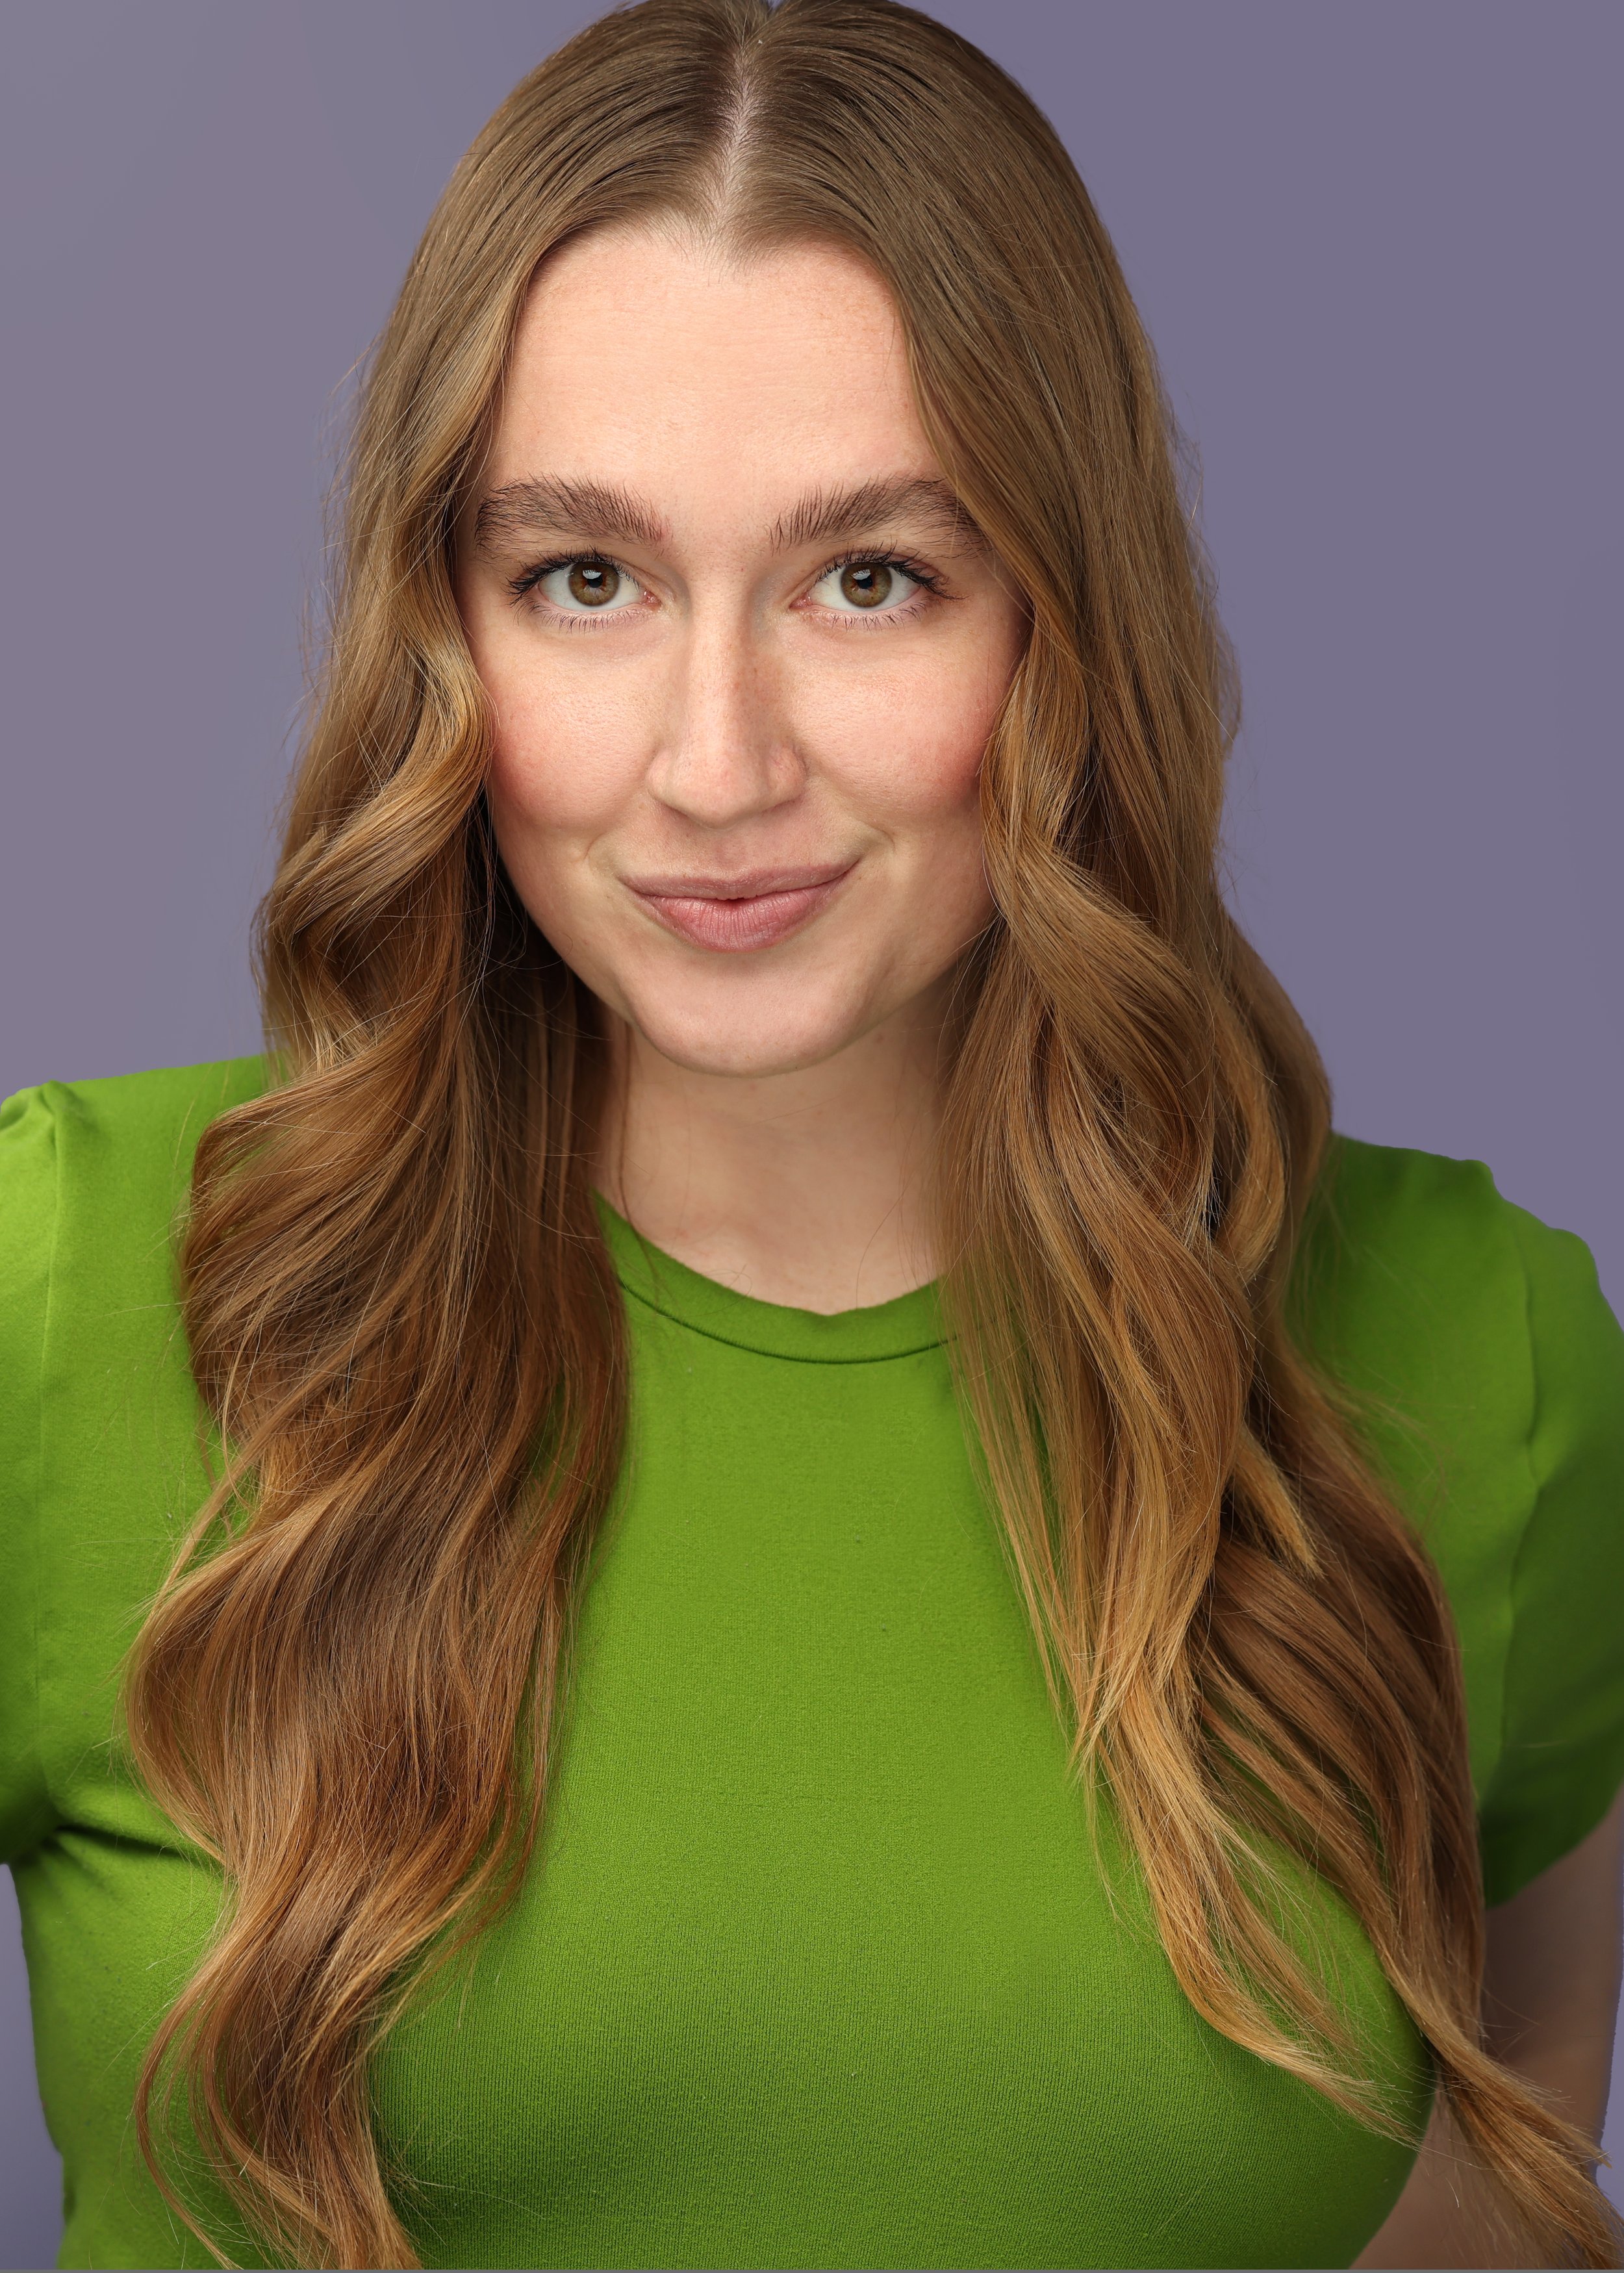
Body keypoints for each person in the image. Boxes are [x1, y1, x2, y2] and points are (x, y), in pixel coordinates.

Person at [2, 1, 1621, 2266]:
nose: (716, 760)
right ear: (443, 625)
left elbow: (1508, 2200)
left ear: (1065, 626)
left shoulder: (1478, 1348)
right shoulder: (68, 1282)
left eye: (871, 575)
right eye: (586, 577)